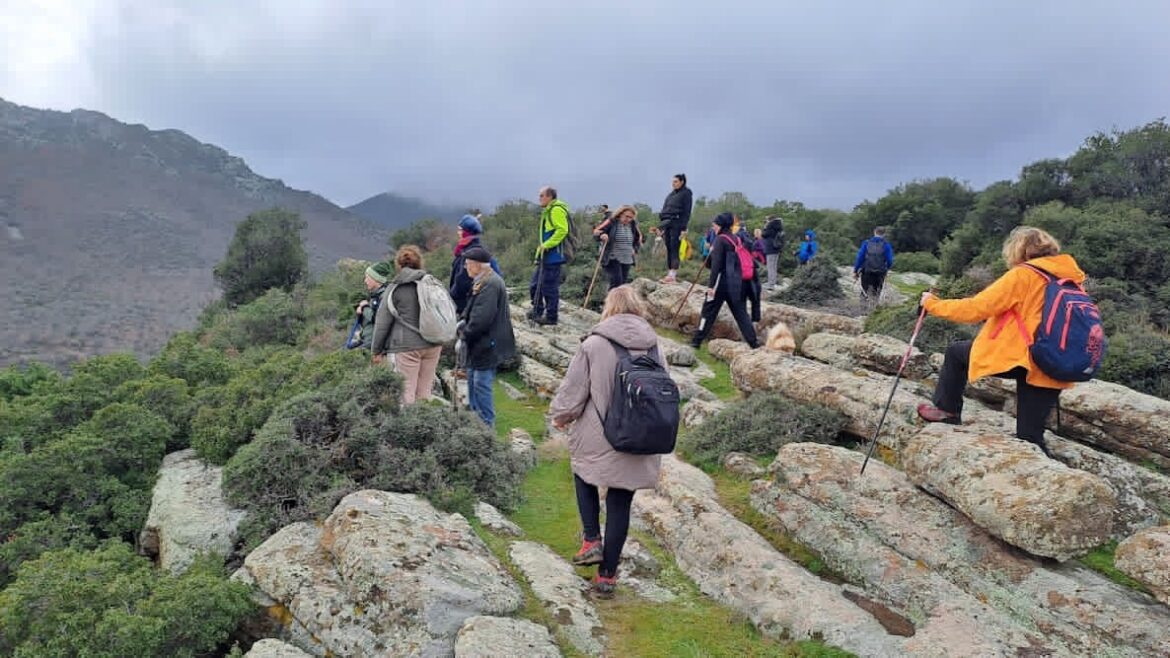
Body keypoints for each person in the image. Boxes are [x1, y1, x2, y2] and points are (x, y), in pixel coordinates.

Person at [917, 227, 1085, 457]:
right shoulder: (1072, 280)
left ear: (1018, 250)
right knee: (1030, 438)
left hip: (1022, 357)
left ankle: (947, 411)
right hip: (1056, 362)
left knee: (956, 353)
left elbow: (975, 309)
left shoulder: (1023, 275)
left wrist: (932, 304)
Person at [549, 285, 665, 598]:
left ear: (609, 308)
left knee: (582, 470)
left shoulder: (595, 343)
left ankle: (591, 540)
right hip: (641, 434)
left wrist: (560, 416)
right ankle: (607, 578)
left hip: (601, 432)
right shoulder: (655, 345)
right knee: (620, 502)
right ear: (637, 309)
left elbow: (574, 391)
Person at [371, 246, 444, 405]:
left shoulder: (395, 288)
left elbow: (382, 322)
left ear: (399, 264)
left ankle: (409, 428)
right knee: (424, 393)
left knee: (405, 393)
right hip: (433, 344)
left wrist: (376, 351)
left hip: (406, 347)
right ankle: (425, 426)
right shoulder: (432, 283)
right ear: (420, 263)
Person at [461, 246, 516, 427]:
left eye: (468, 264)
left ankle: (486, 427)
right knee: (473, 381)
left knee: (480, 385)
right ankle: (477, 424)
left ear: (478, 265)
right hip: (480, 343)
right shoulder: (483, 281)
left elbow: (482, 318)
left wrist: (465, 333)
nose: (465, 267)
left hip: (487, 343)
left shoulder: (490, 284)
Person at [690, 213, 760, 349]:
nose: (713, 227)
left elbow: (715, 266)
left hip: (721, 284)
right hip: (738, 284)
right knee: (741, 314)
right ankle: (754, 343)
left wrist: (711, 286)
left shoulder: (720, 240)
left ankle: (696, 341)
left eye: (715, 224)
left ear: (721, 225)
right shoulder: (737, 239)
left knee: (708, 312)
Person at [530, 186, 570, 326]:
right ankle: (537, 310)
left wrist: (547, 245)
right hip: (546, 256)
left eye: (542, 195)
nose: (539, 198)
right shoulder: (549, 210)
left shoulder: (556, 210)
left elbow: (562, 230)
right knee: (535, 285)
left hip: (554, 257)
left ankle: (551, 317)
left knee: (549, 287)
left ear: (550, 197)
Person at [450, 214, 501, 315]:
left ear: (466, 232)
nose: (458, 233)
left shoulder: (471, 255)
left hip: (469, 307)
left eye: (460, 230)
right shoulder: (478, 250)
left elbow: (462, 283)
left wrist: (450, 298)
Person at [593, 204, 643, 290]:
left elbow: (638, 238)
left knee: (622, 283)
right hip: (612, 257)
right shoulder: (611, 222)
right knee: (616, 281)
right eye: (626, 216)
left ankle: (618, 302)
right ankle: (611, 302)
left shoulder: (632, 224)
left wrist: (635, 249)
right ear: (620, 214)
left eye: (631, 217)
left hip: (627, 258)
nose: (628, 219)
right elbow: (596, 232)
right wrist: (602, 235)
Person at [657, 174, 693, 284]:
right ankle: (669, 272)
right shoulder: (671, 195)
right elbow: (665, 209)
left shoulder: (686, 193)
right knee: (668, 247)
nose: (673, 183)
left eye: (676, 181)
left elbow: (687, 211)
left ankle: (673, 274)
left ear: (682, 182)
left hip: (677, 222)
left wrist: (683, 228)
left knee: (674, 247)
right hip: (667, 223)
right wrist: (661, 225)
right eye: (673, 182)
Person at [352, 261, 392, 349]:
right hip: (368, 340)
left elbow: (377, 318)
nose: (365, 281)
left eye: (367, 278)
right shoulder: (376, 295)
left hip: (374, 344)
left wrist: (364, 307)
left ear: (376, 279)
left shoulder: (383, 296)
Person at [853, 226, 895, 301]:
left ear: (874, 232)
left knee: (865, 291)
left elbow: (860, 257)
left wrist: (856, 270)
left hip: (867, 271)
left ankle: (862, 309)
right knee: (876, 293)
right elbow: (890, 260)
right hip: (880, 272)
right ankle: (873, 310)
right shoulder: (886, 245)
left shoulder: (866, 243)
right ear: (884, 234)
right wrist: (887, 269)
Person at [761, 215, 785, 290]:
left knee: (770, 267)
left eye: (767, 220)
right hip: (776, 249)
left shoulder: (771, 227)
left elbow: (763, 235)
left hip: (771, 249)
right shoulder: (778, 226)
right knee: (774, 267)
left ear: (770, 220)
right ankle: (772, 282)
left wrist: (765, 226)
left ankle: (770, 284)